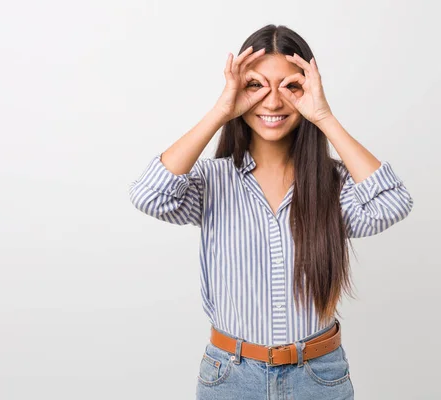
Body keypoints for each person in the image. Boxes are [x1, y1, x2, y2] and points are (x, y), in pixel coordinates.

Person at [129, 24, 414, 400]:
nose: (273, 102)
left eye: (291, 87)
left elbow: (393, 202)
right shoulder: (213, 181)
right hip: (229, 377)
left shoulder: (332, 184)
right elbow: (150, 193)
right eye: (256, 86)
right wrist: (221, 110)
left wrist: (324, 116)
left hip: (318, 377)